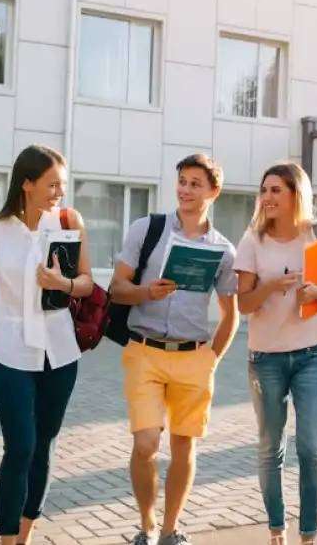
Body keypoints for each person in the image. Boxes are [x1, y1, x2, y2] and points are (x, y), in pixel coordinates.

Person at [0, 145, 94, 545]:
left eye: (63, 184)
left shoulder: (69, 221)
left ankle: (24, 537)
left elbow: (87, 283)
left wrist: (62, 283)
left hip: (60, 353)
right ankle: (7, 540)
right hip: (11, 353)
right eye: (52, 184)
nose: (60, 192)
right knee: (20, 446)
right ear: (27, 183)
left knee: (43, 445)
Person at [109, 154, 240, 545]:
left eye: (195, 184)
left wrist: (211, 359)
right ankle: (147, 526)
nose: (185, 190)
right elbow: (116, 289)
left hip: (194, 356)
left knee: (184, 447)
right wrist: (146, 292)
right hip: (144, 350)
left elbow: (230, 314)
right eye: (182, 181)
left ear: (214, 191)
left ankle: (170, 530)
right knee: (146, 444)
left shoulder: (223, 250)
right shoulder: (147, 229)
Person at [234, 163, 317, 545]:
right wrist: (270, 286)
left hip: (313, 352)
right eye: (264, 190)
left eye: (276, 190)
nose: (267, 197)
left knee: (311, 446)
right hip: (266, 358)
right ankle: (276, 527)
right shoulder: (252, 240)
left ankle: (308, 533)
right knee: (270, 447)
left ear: (296, 194)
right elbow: (243, 304)